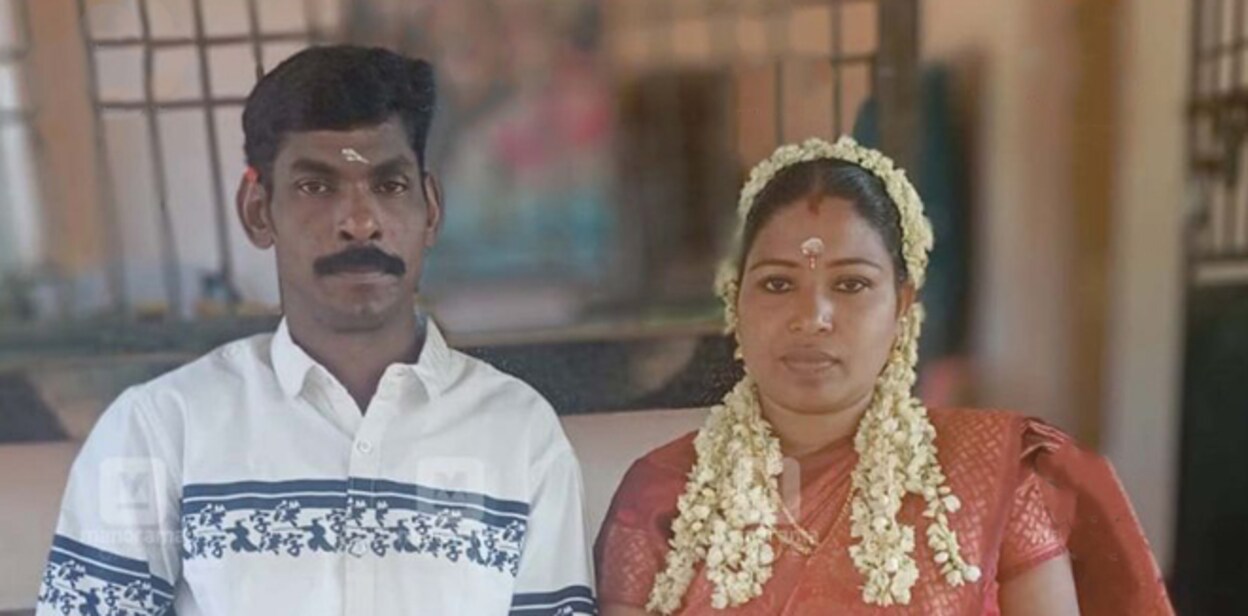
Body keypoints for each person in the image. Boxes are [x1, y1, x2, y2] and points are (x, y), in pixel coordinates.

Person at [36, 46, 595, 615]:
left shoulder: (517, 431)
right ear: (258, 211)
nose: (360, 222)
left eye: (389, 185)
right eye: (317, 186)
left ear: (430, 209)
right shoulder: (161, 429)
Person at [594, 137, 1172, 615]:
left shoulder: (995, 479)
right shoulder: (664, 492)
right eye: (777, 283)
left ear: (902, 306)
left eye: (851, 284)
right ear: (734, 300)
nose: (812, 317)